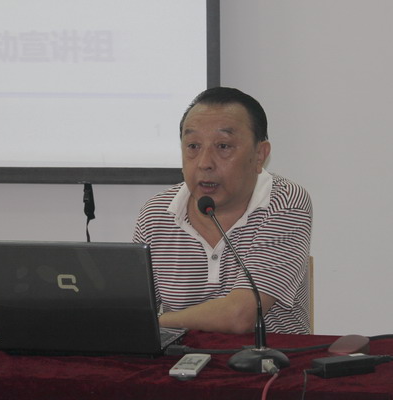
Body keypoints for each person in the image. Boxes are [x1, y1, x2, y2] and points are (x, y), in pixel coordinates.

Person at [133, 87, 312, 335]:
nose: (204, 163)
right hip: (181, 357)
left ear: (259, 155)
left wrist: (155, 323)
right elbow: (135, 311)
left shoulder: (284, 202)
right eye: (193, 146)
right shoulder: (156, 214)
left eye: (223, 146)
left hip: (270, 356)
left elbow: (241, 315)